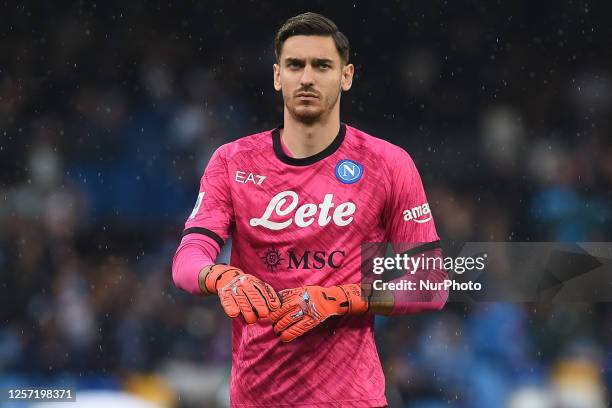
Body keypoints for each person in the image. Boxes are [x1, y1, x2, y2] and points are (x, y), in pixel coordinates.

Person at [172, 12, 448, 408]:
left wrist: (341, 297)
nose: (307, 78)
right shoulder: (233, 161)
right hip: (256, 398)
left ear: (346, 76)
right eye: (295, 65)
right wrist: (222, 276)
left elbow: (430, 284)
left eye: (322, 65)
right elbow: (187, 260)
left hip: (352, 400)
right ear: (277, 76)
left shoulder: (388, 164)